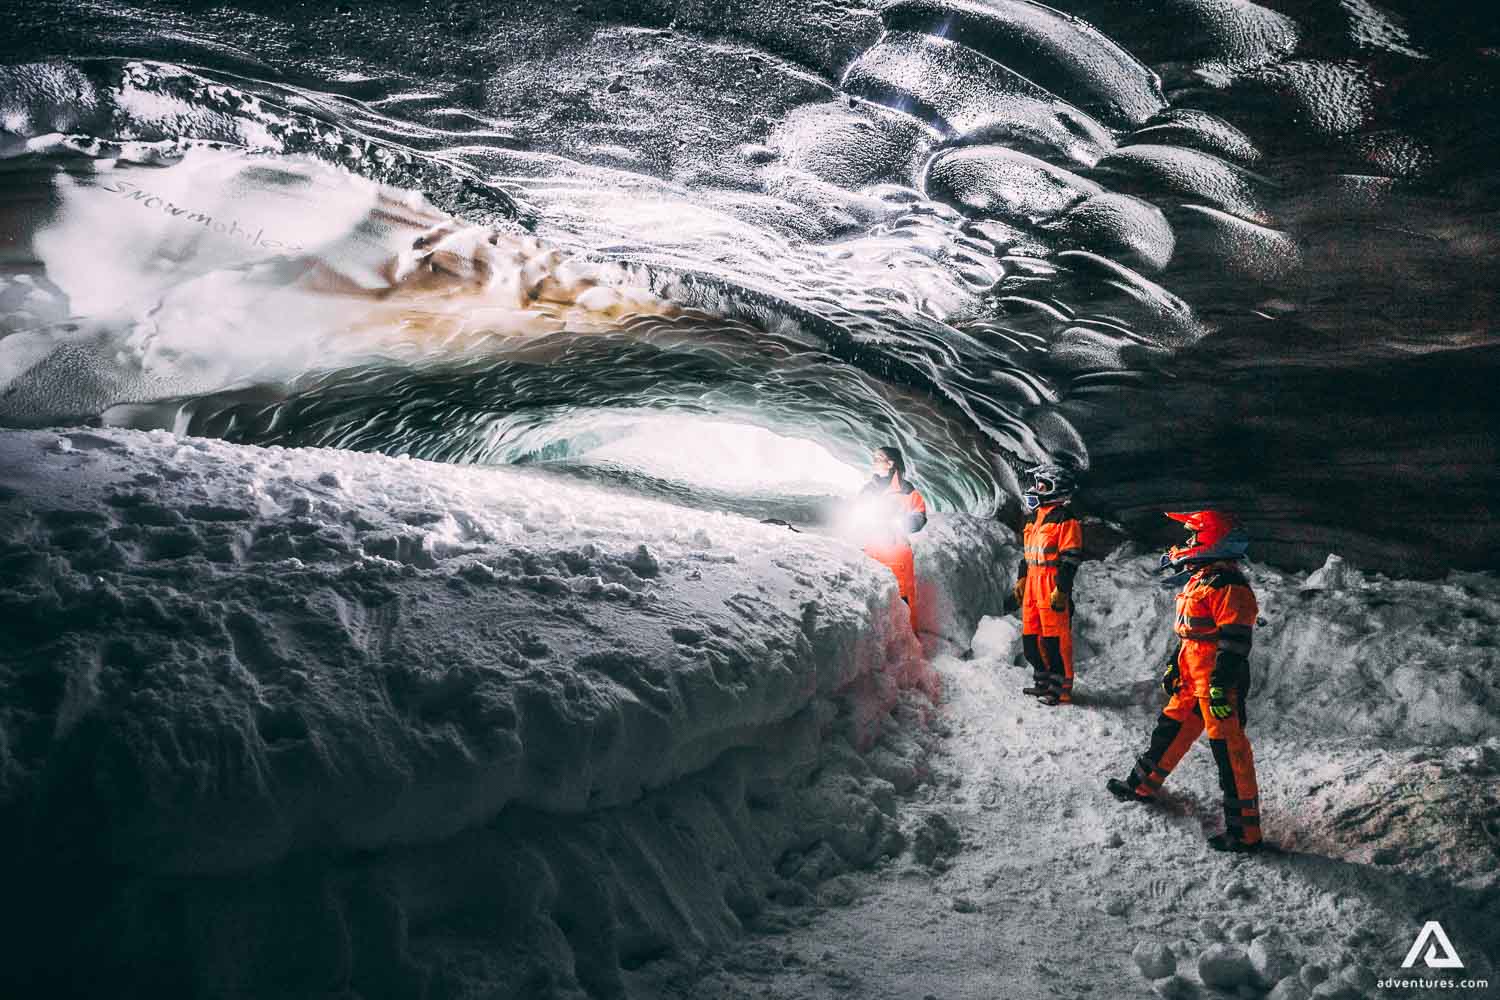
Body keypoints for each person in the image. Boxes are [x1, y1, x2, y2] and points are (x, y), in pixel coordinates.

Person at [1106, 510, 1263, 853]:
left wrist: (1220, 685)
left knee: (1230, 754)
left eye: (1193, 536)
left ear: (1212, 540)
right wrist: (1173, 667)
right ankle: (1141, 785)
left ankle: (1245, 833)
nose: (1186, 543)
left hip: (1218, 683)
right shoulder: (1201, 580)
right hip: (1192, 678)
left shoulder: (1229, 587)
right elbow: (1192, 635)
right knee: (1168, 732)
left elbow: (1234, 644)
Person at [1012, 463, 1083, 705]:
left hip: (1051, 582)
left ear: (1056, 487)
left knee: (1055, 640)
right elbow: (1027, 554)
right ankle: (1042, 681)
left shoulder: (1065, 519)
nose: (1036, 489)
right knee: (1031, 639)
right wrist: (1022, 577)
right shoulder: (1033, 518)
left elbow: (1071, 558)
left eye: (1042, 485)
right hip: (1033, 581)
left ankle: (1058, 689)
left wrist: (1062, 589)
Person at [857, 446, 928, 632]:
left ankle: (909, 639)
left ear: (891, 463)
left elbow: (920, 515)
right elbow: (857, 514)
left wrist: (900, 526)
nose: (874, 462)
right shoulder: (867, 490)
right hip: (872, 550)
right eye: (874, 458)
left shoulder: (907, 490)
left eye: (879, 458)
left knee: (903, 597)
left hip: (898, 552)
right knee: (874, 596)